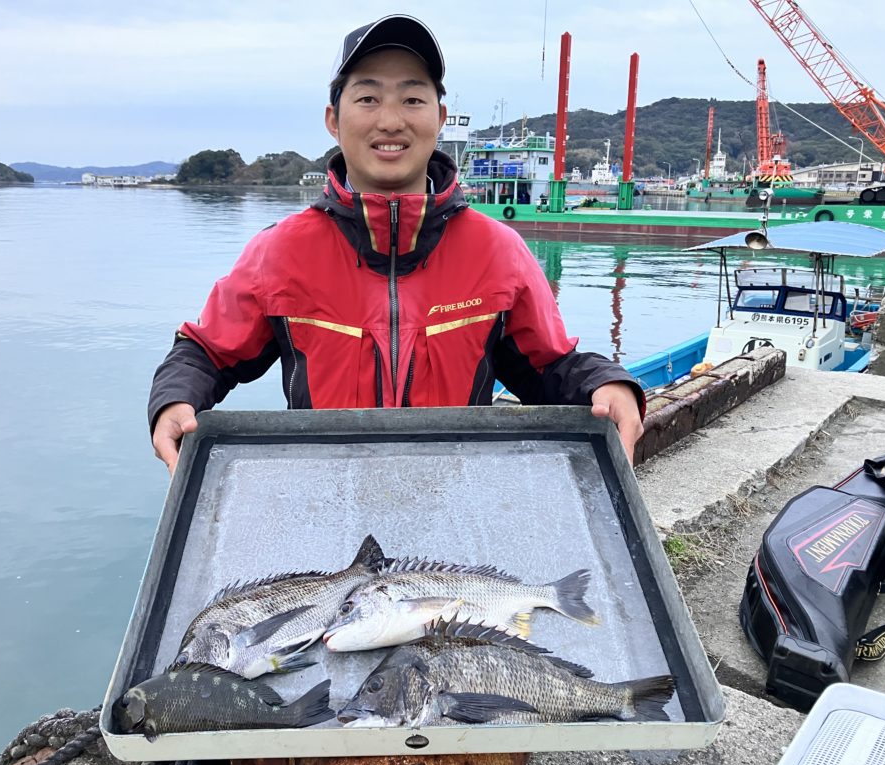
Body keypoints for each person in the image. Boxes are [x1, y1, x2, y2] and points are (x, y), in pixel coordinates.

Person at [149, 14, 644, 475]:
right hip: (323, 500)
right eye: (368, 98)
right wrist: (174, 400)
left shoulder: (498, 251)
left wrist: (607, 383)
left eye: (412, 99)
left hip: (456, 501)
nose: (390, 121)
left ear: (440, 116)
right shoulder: (279, 253)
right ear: (333, 119)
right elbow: (206, 353)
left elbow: (551, 366)